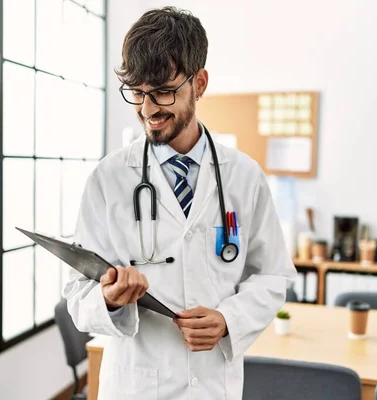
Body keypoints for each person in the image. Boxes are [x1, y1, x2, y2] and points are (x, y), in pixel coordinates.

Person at [63, 6, 296, 400]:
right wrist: (108, 298)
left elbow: (273, 275)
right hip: (136, 386)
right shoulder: (108, 180)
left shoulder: (244, 176)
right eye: (137, 92)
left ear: (199, 83)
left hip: (212, 385)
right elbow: (76, 294)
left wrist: (228, 320)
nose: (148, 109)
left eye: (163, 92)